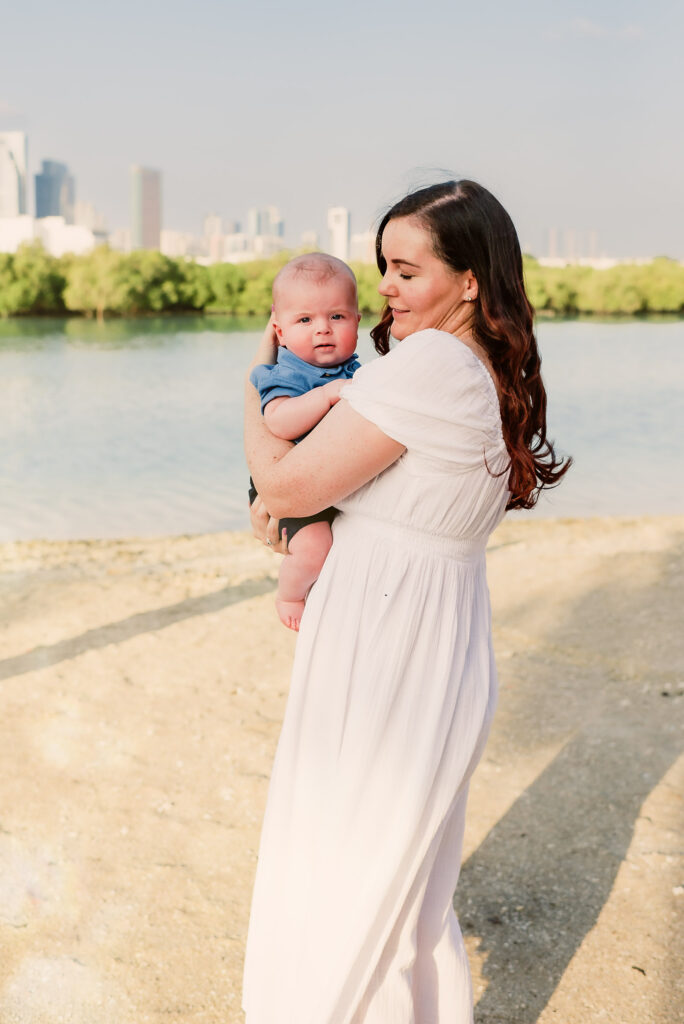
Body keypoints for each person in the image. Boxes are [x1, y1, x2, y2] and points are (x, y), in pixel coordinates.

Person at [242, 180, 570, 1023]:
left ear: (469, 280)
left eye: (404, 268)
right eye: (381, 265)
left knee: (344, 875)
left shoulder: (427, 364)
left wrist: (255, 387)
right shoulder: (485, 366)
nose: (383, 286)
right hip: (436, 632)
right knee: (396, 889)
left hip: (386, 639)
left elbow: (282, 484)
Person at [248, 253, 361, 631]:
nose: (322, 329)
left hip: (328, 483)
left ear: (358, 322)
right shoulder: (287, 372)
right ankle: (290, 595)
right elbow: (277, 420)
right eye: (305, 320)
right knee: (314, 548)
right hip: (290, 488)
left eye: (337, 317)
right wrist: (326, 395)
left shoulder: (355, 371)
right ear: (279, 332)